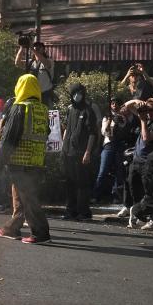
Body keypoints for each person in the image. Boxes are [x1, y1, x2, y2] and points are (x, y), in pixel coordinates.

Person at [0, 74, 51, 244]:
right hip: (37, 161)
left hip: (20, 161)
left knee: (29, 198)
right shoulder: (42, 109)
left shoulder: (20, 108)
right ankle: (11, 228)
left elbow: (9, 137)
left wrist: (0, 161)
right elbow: (46, 132)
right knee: (22, 196)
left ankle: (41, 234)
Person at [122, 98, 153, 229]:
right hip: (136, 161)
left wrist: (142, 120)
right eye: (147, 110)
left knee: (150, 193)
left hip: (149, 163)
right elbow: (126, 105)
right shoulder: (145, 118)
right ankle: (140, 217)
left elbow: (146, 138)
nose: (148, 113)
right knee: (134, 190)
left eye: (151, 110)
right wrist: (139, 102)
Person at [61, 83, 99, 220]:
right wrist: (63, 147)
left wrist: (88, 152)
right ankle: (70, 210)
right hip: (68, 152)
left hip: (81, 152)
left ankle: (83, 212)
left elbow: (92, 133)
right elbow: (66, 129)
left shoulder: (88, 111)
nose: (78, 96)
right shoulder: (70, 109)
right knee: (69, 182)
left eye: (80, 93)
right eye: (75, 93)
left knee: (82, 183)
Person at [94, 97, 129, 204]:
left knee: (119, 172)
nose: (114, 105)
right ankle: (96, 195)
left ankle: (117, 196)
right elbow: (105, 133)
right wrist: (110, 121)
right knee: (103, 171)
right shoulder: (106, 117)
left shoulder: (124, 117)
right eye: (112, 103)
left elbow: (124, 130)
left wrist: (119, 121)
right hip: (108, 145)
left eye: (116, 103)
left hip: (119, 145)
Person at [14, 41, 55, 106]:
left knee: (49, 114)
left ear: (44, 50)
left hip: (45, 93)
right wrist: (21, 48)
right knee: (33, 114)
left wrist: (32, 49)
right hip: (32, 95)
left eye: (39, 48)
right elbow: (17, 63)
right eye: (36, 48)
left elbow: (46, 63)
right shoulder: (31, 62)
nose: (37, 49)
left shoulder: (49, 60)